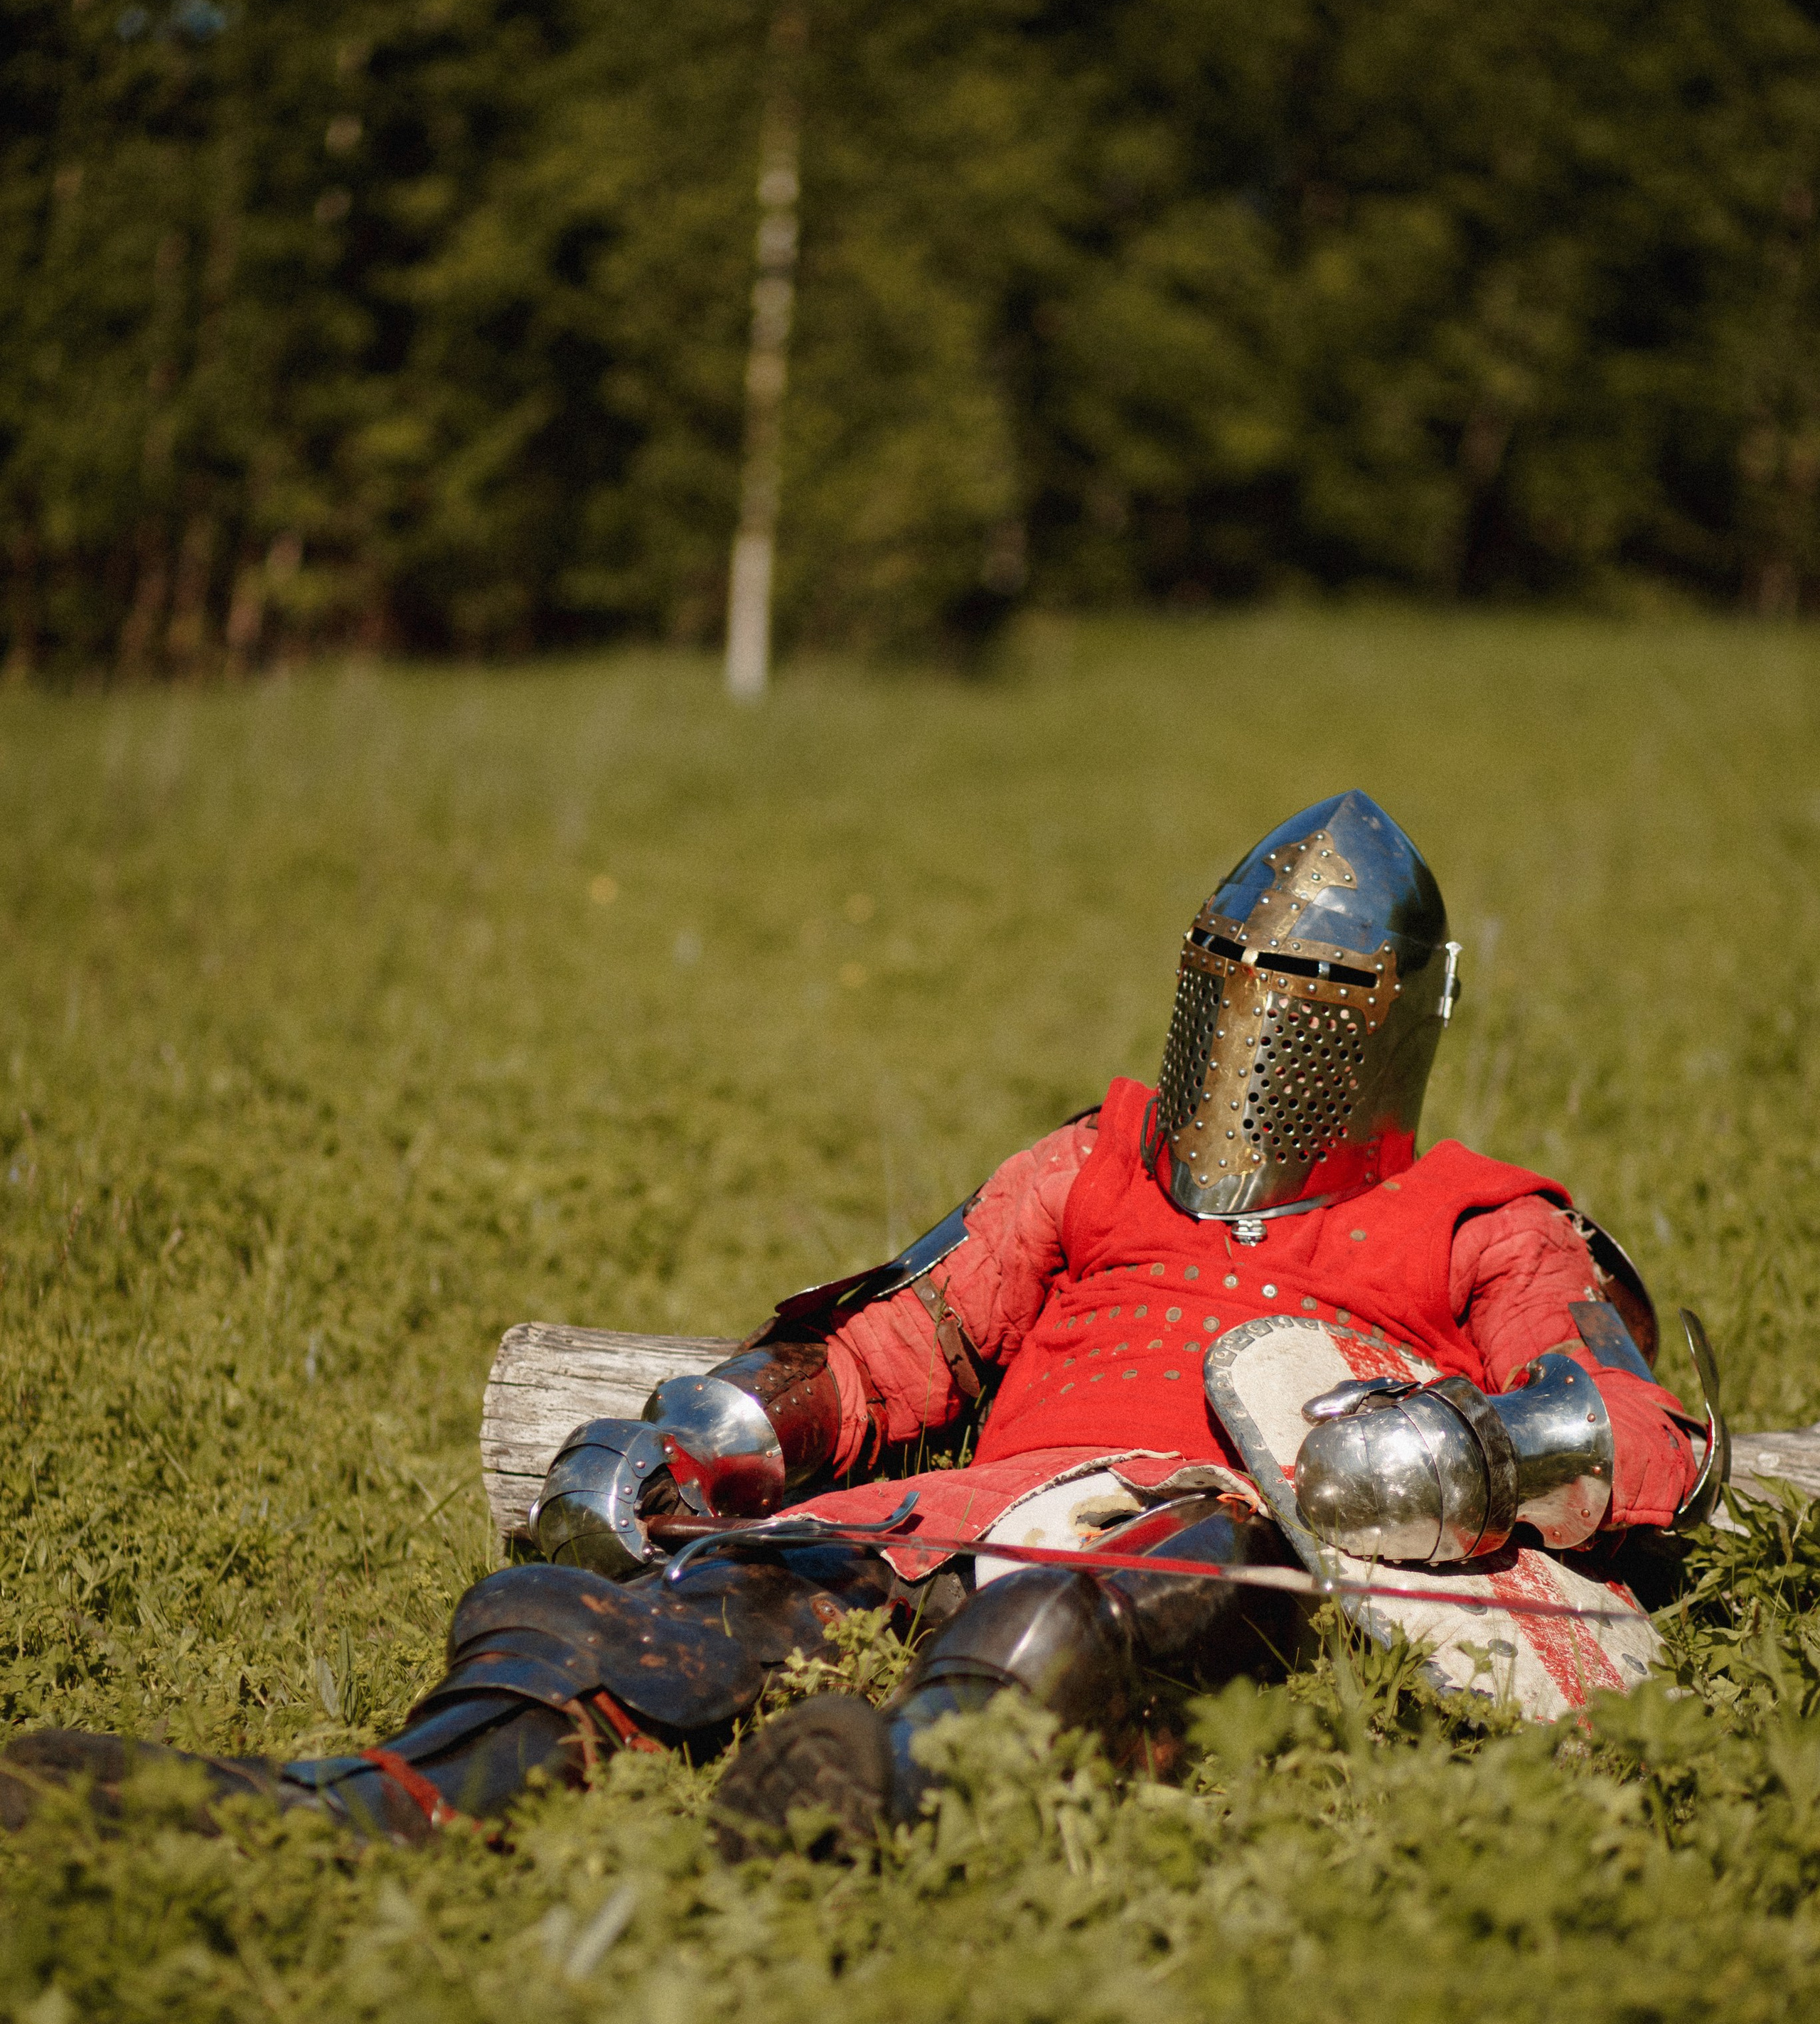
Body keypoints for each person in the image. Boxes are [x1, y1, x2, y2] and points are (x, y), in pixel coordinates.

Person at [0, 793, 1707, 1856]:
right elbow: (905, 1342)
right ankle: (369, 1804)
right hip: (948, 1516)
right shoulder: (1085, 1164)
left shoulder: (1486, 1221)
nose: (1265, 1032)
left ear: (1398, 1021)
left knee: (1094, 1602)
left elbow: (1630, 1427)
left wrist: (1456, 1449)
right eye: (1233, 980)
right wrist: (714, 1430)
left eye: (1317, 999)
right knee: (642, 1609)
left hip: (1210, 1544)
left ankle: (891, 1797)